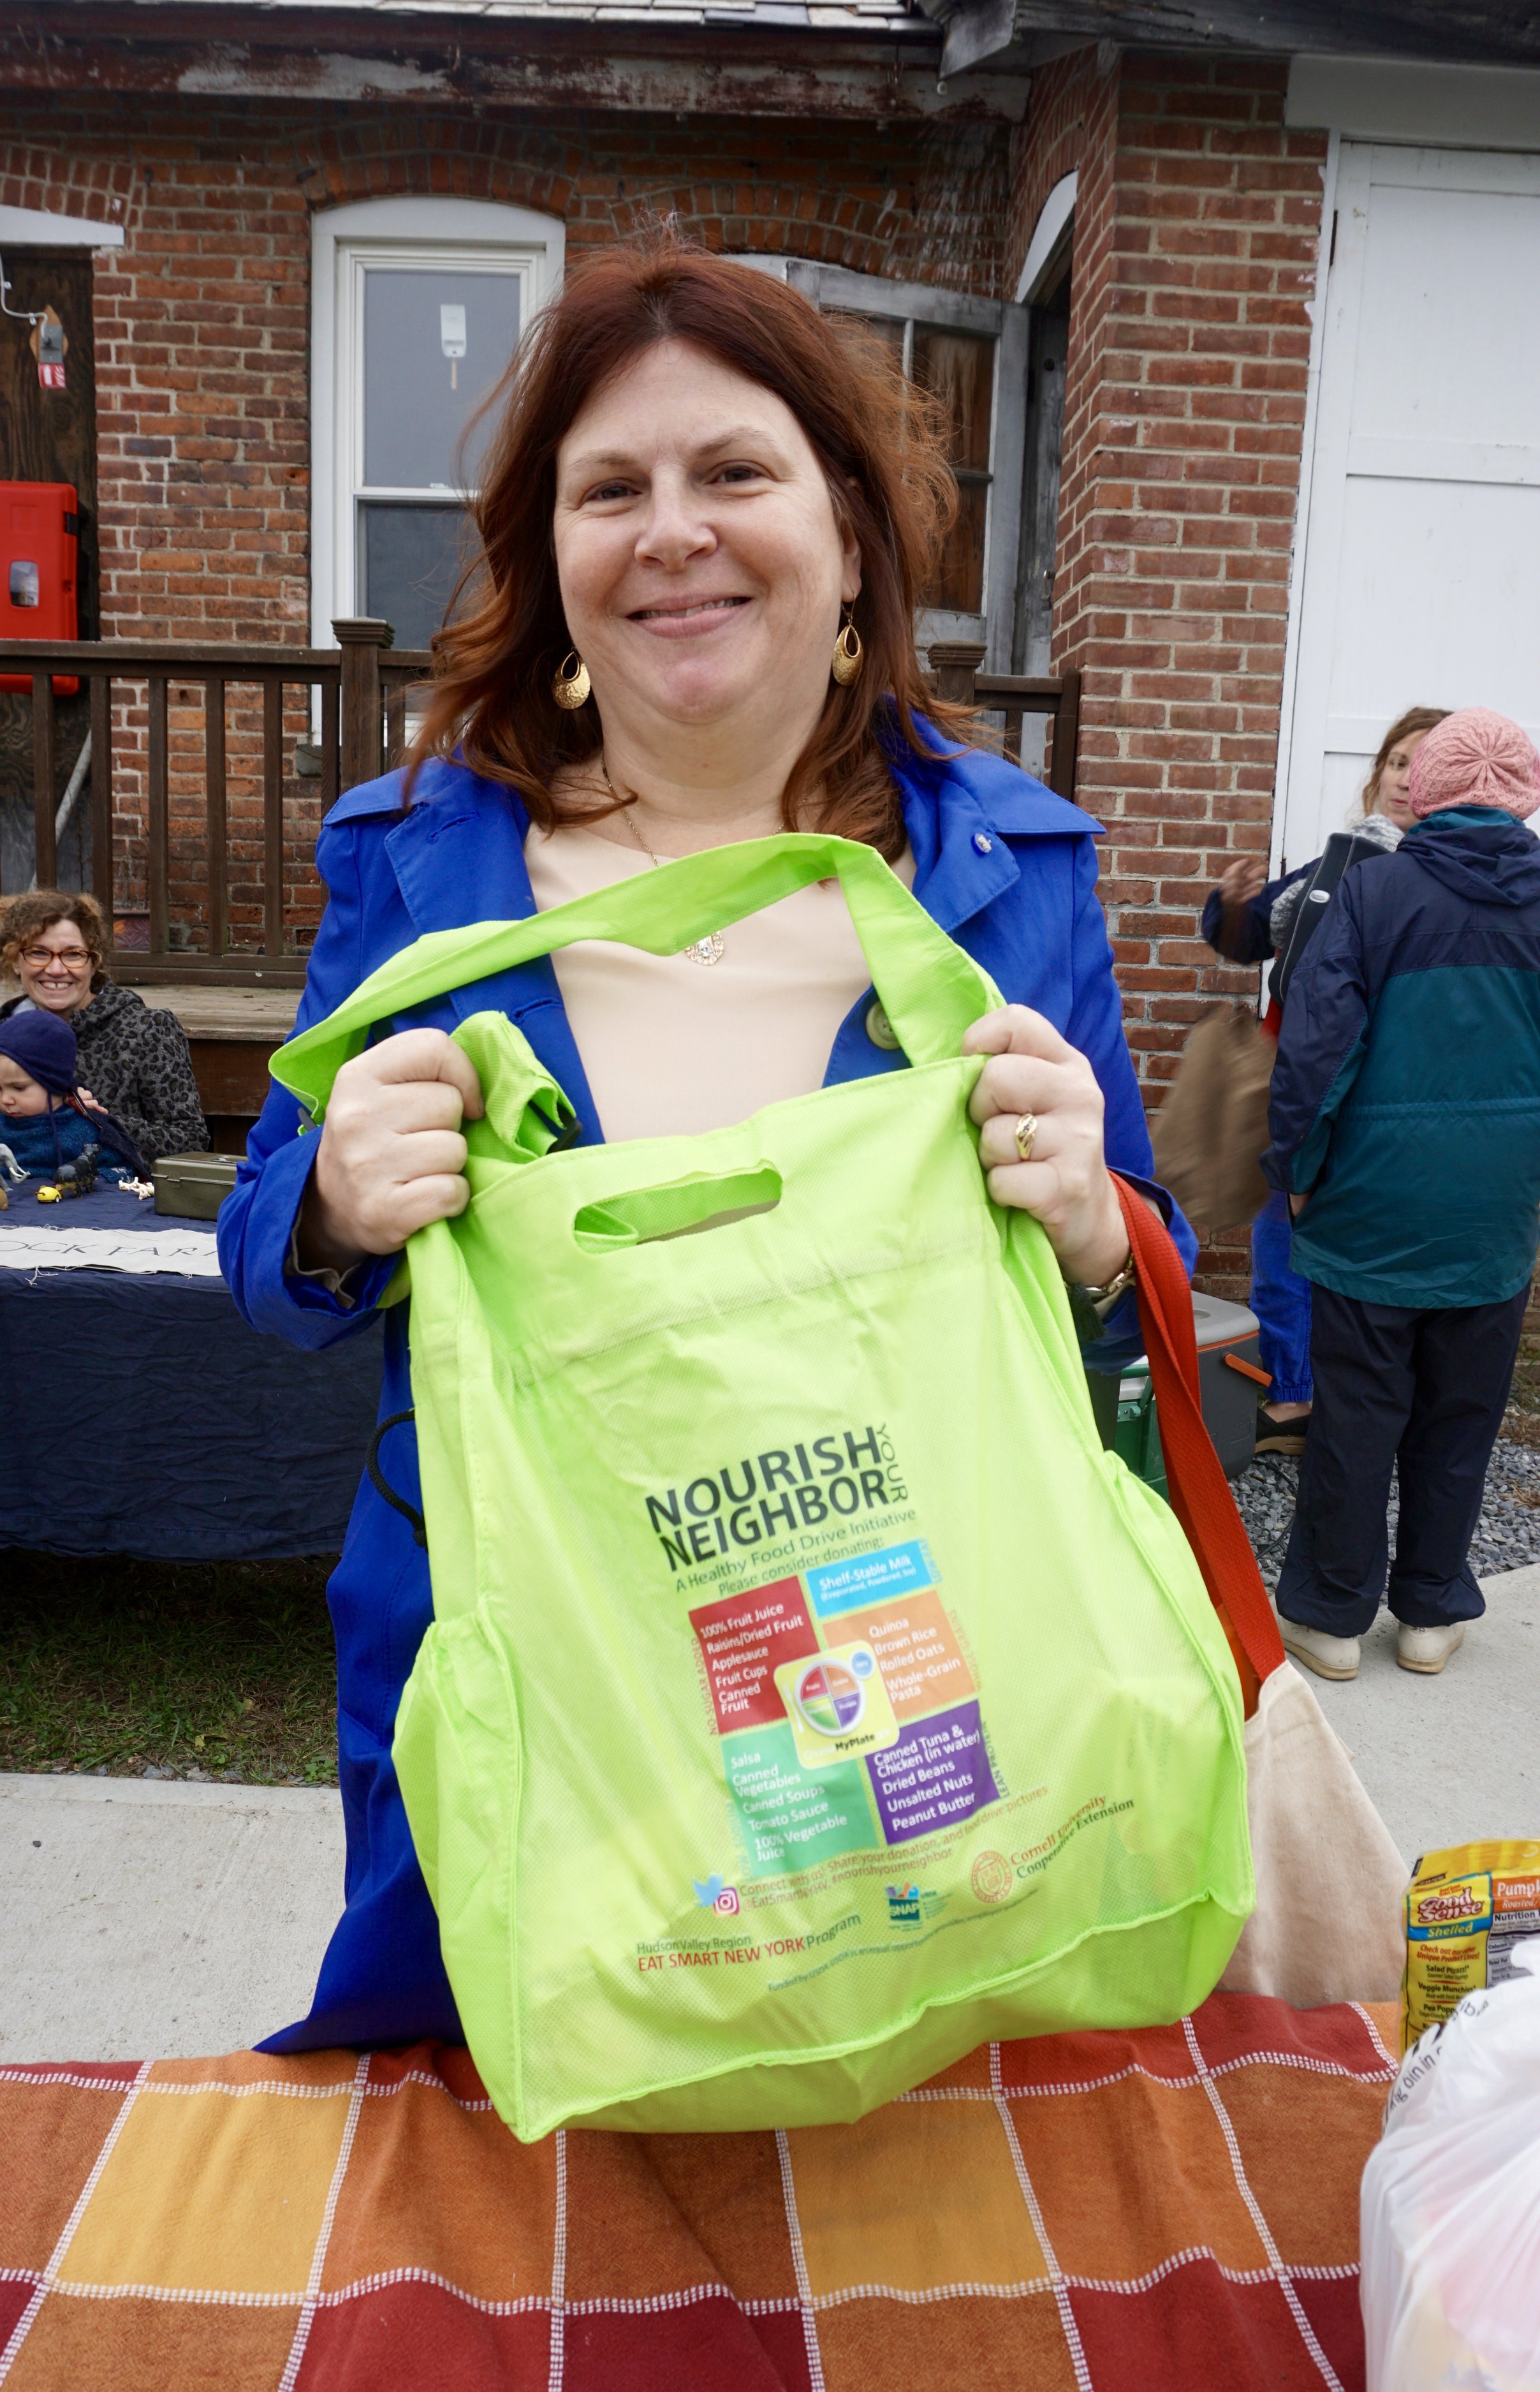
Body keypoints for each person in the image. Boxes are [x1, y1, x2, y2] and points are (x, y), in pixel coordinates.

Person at [220, 237, 1195, 2052]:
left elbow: (1143, 1270)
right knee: (513, 2104)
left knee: (879, 2051)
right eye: (610, 489)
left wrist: (1089, 1228)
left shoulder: (1005, 869)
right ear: (554, 565)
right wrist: (336, 1203)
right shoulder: (418, 858)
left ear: (843, 526)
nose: (671, 530)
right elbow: (274, 1263)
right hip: (522, 1646)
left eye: (730, 471)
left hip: (896, 1635)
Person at [1264, 707, 1540, 1682]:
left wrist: (1295, 1171)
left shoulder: (1378, 893)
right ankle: (1429, 1611)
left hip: (1372, 1210)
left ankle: (1332, 1619)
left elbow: (1316, 1048)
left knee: (1356, 1414)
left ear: (1427, 790)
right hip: (1496, 1219)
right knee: (1462, 1416)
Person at [1200, 707, 1448, 1456]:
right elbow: (1257, 938)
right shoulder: (1343, 856)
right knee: (1281, 1243)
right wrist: (1235, 909)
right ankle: (1294, 1396)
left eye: (1424, 766)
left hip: (1367, 1097)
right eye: (1397, 762)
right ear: (1377, 772)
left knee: (1342, 1255)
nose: (1406, 779)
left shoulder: (1440, 874)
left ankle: (1339, 1407)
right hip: (1297, 1088)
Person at [0, 890, 208, 1167]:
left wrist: (96, 1122)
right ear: (14, 960)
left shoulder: (147, 1029)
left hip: (121, 1199)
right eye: (38, 953)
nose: (57, 969)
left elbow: (189, 1141)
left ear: (93, 962)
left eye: (73, 955)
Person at [0, 1010, 147, 1183]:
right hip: (0, 1207)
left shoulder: (83, 1129)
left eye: (19, 1088)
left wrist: (98, 1183)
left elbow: (122, 1170)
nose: (5, 1099)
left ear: (54, 1082)